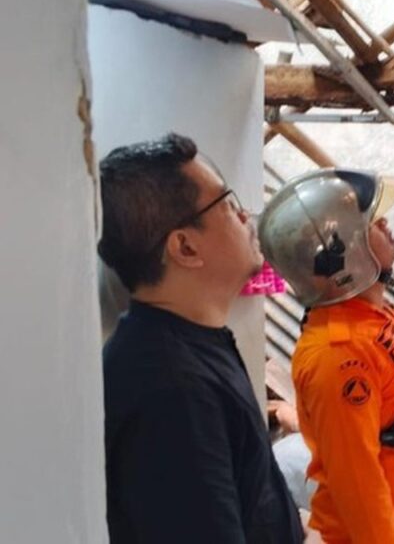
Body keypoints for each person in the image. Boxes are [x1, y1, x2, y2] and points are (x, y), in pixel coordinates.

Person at [98, 133, 304, 544]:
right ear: (186, 247)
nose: (245, 216)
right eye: (228, 204)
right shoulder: (171, 389)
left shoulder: (190, 342)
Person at [259, 169, 394, 544]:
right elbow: (359, 490)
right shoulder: (338, 356)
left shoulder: (374, 316)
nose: (385, 224)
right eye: (371, 223)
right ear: (340, 256)